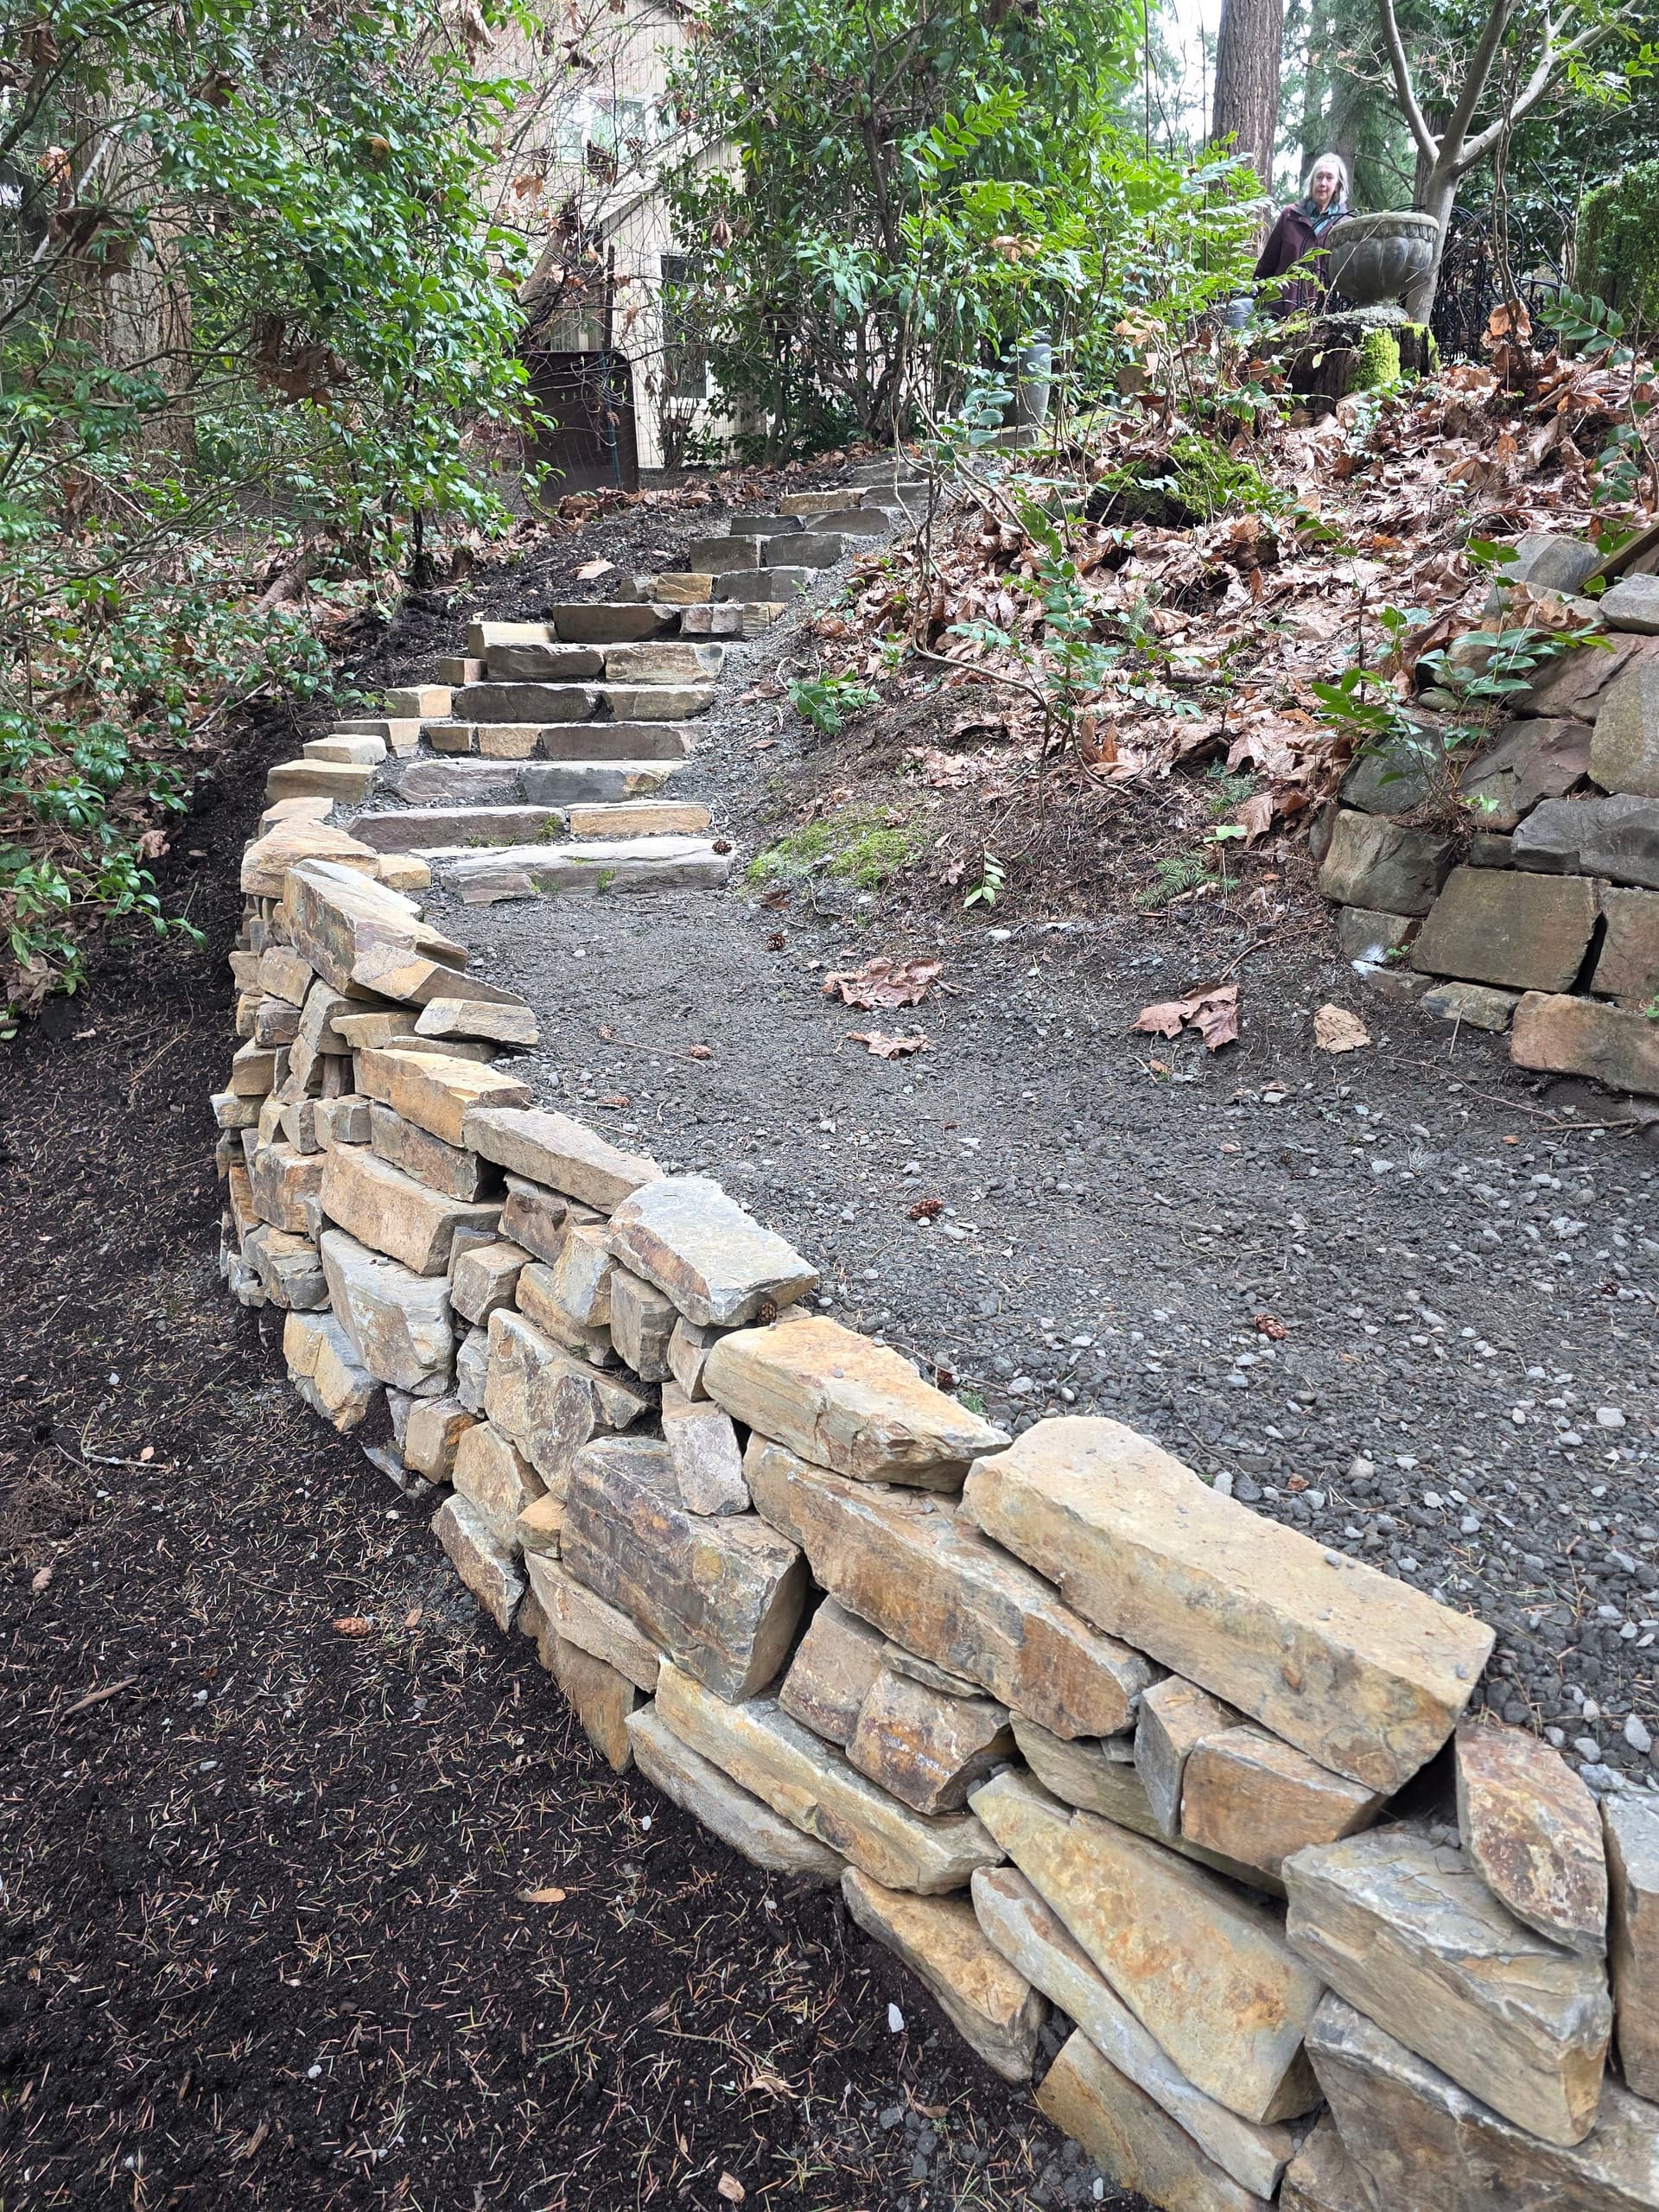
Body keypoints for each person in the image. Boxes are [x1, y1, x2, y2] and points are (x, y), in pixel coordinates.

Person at [1254, 155, 1351, 315]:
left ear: (1338, 185)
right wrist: (1259, 305)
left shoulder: (1345, 225)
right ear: (1312, 181)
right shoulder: (1290, 216)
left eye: (1329, 178)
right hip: (1280, 314)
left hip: (1323, 319)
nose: (1323, 183)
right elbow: (1266, 267)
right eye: (1319, 177)